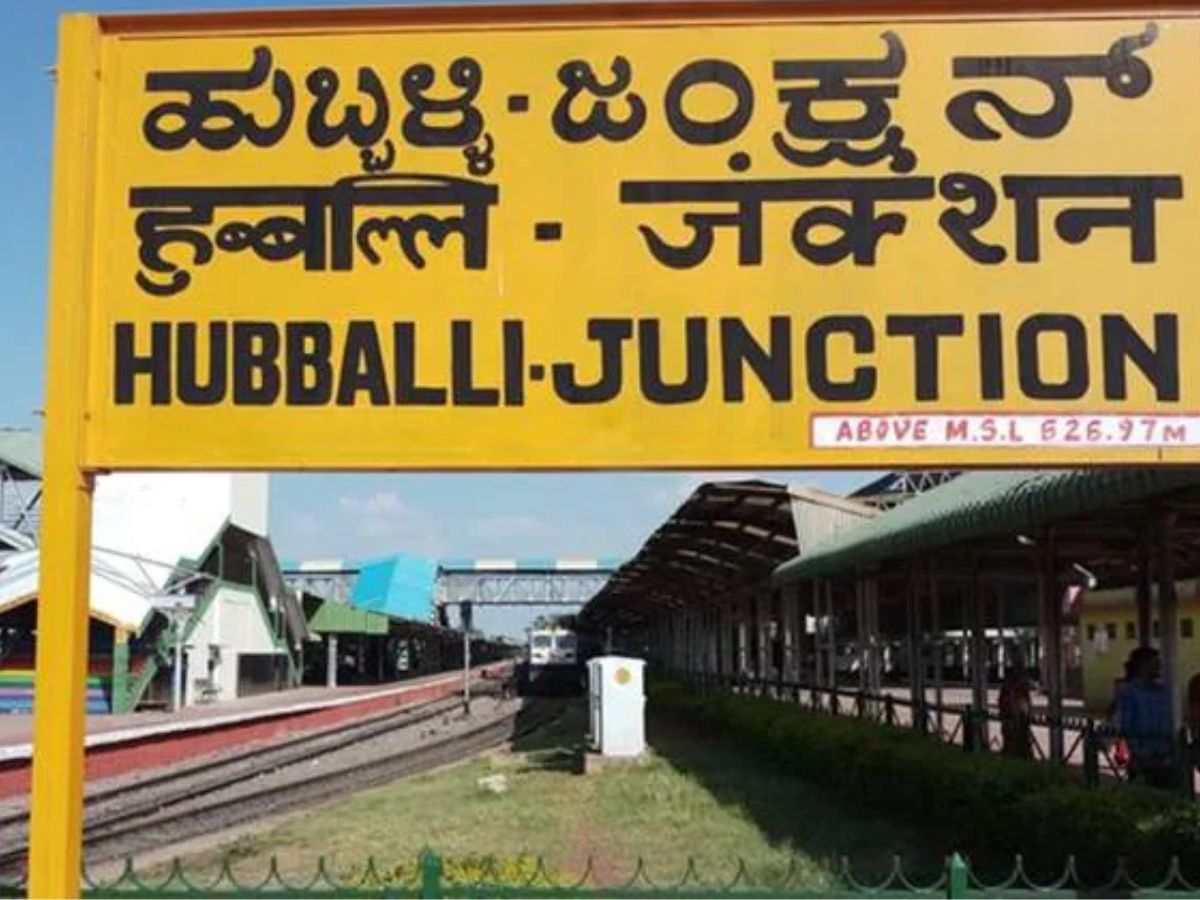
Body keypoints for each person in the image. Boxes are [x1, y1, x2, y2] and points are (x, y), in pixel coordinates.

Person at [1115, 647, 1177, 789]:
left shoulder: (1162, 692)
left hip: (1165, 755)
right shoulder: (1130, 692)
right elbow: (1126, 724)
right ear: (1144, 665)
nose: (1159, 667)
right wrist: (1135, 753)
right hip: (1142, 756)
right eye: (1155, 663)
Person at [997, 653, 1033, 759]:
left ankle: (1016, 752)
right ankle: (1018, 752)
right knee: (1016, 735)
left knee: (1014, 735)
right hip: (1014, 714)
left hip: (1013, 713)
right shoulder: (1018, 684)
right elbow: (1026, 700)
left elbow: (1026, 699)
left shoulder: (1011, 684)